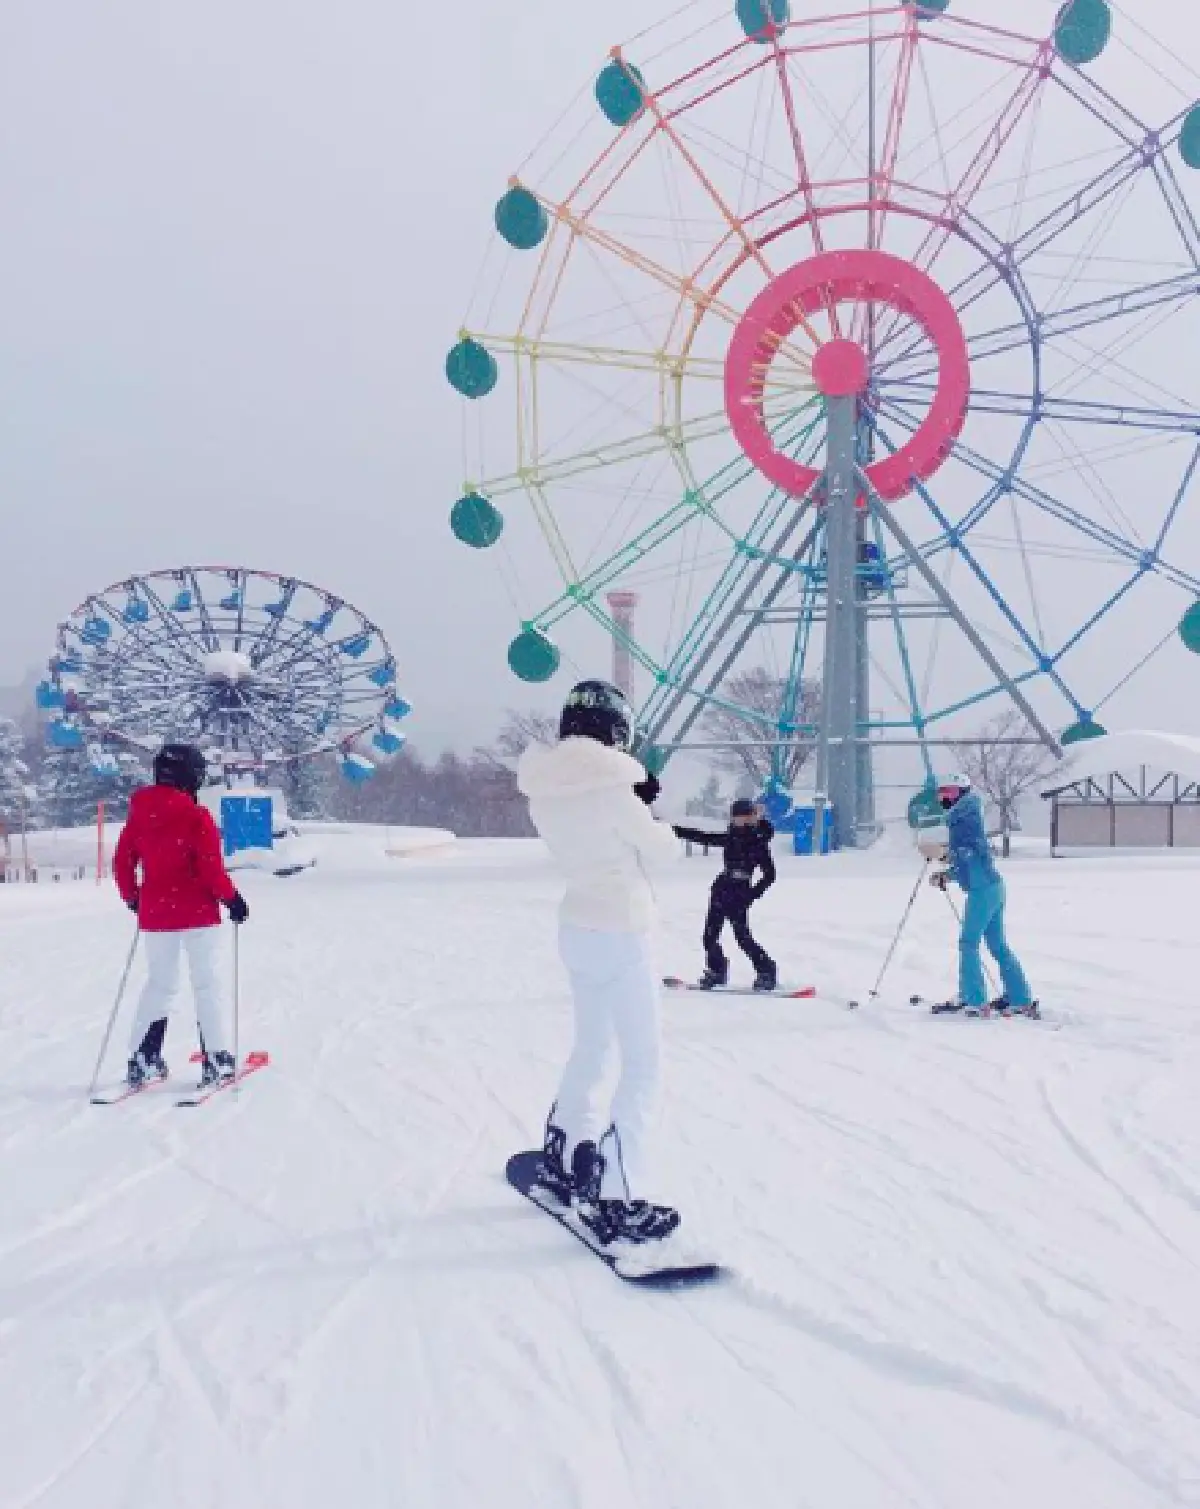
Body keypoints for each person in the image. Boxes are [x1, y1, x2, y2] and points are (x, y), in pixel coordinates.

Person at [517, 679, 682, 1246]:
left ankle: (564, 1149)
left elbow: (583, 835)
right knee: (643, 1062)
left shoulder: (543, 790)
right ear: (616, 731)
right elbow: (663, 851)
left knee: (591, 1046)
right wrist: (642, 805)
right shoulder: (615, 789)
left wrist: (630, 798)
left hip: (577, 924)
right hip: (622, 929)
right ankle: (617, 1191)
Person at [114, 743, 249, 1087]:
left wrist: (132, 897)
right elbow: (210, 869)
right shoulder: (195, 816)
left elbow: (122, 861)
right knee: (205, 984)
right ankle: (216, 1058)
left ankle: (143, 1057)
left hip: (156, 914)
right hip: (197, 913)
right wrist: (232, 900)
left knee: (160, 983)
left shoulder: (139, 813)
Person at [929, 772, 1036, 1015]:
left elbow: (971, 855)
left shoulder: (962, 819)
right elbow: (972, 859)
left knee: (968, 943)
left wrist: (948, 861)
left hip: (982, 892)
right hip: (994, 886)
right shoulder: (966, 815)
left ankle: (974, 1000)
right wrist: (949, 871)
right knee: (997, 945)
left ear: (962, 793)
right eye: (941, 793)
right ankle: (1020, 997)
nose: (945, 798)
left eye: (950, 792)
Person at [672, 799, 779, 991]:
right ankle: (717, 971)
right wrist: (673, 830)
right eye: (736, 817)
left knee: (742, 937)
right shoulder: (731, 836)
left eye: (744, 817)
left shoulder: (758, 842)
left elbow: (770, 874)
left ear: (751, 817)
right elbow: (703, 837)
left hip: (740, 893)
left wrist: (752, 894)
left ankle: (767, 971)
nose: (739, 821)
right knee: (709, 936)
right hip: (721, 890)